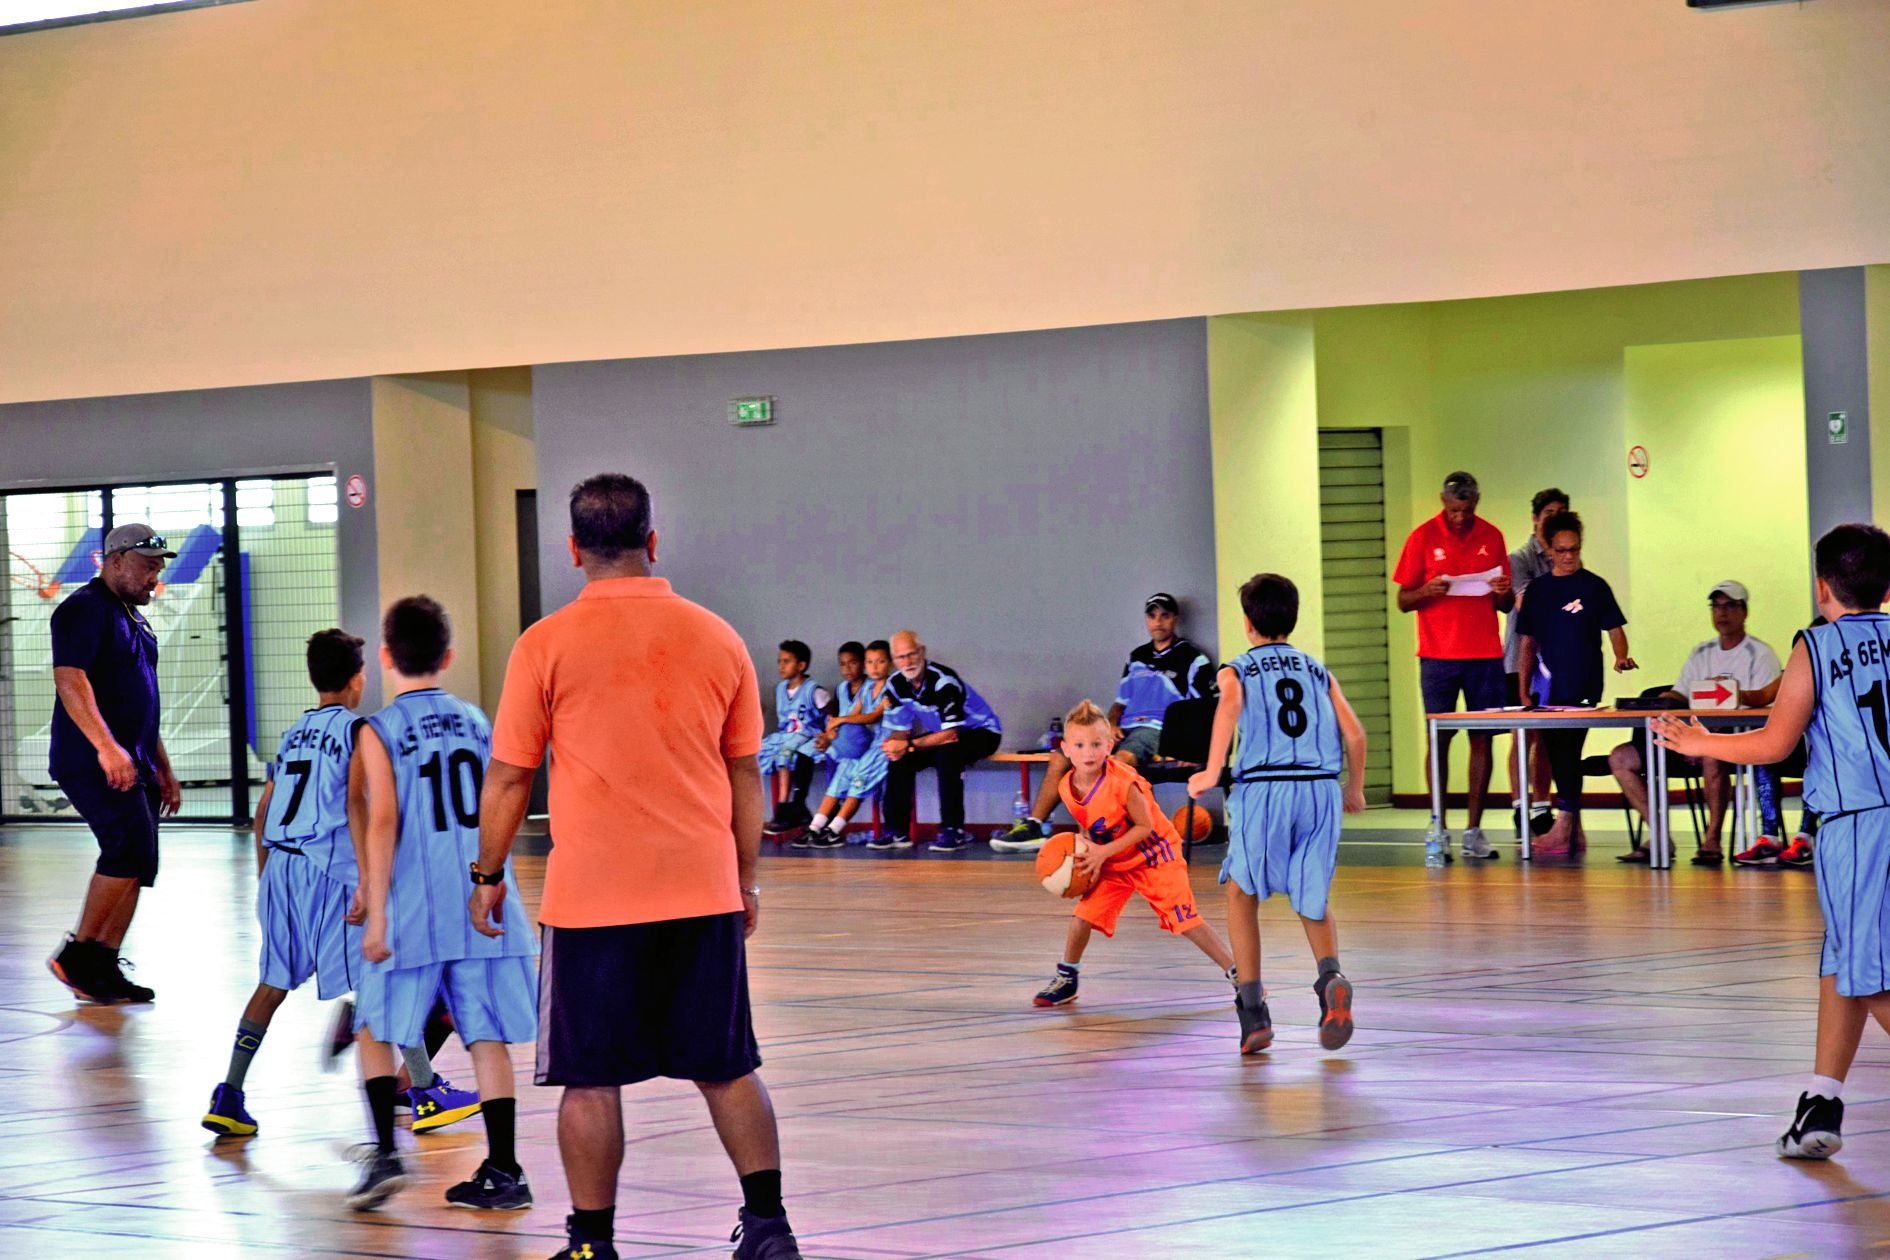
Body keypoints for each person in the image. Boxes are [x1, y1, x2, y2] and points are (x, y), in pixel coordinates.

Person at [476, 473, 802, 1260]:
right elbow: (745, 774)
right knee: (727, 1066)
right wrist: (745, 877)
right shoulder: (718, 636)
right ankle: (768, 1228)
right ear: (653, 543)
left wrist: (488, 874)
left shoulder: (543, 644)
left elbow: (513, 776)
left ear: (573, 549)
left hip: (593, 902)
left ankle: (591, 1245)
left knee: (590, 1080)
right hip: (701, 888)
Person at [1652, 523, 1890, 1162]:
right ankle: (1822, 1102)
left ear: (1821, 587)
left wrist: (1699, 742)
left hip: (1859, 824)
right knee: (1842, 961)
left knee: (1868, 974)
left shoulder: (1816, 644)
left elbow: (1775, 742)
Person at [202, 629, 478, 1139]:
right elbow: (364, 808)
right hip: (328, 869)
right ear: (359, 678)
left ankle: (229, 1094)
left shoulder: (292, 733)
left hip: (281, 866)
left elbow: (264, 810)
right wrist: (369, 881)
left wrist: (267, 875)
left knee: (272, 983)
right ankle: (424, 1091)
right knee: (385, 972)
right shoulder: (360, 731)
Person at [349, 596, 539, 1211]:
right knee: (485, 1036)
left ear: (385, 657)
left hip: (414, 903)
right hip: (482, 894)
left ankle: (383, 1155)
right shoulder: (478, 720)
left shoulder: (379, 728)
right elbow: (503, 792)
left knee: (374, 1026)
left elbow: (382, 820)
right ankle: (505, 1170)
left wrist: (375, 910)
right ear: (449, 655)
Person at [1188, 573, 1368, 1056]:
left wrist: (1211, 770)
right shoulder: (1317, 670)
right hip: (1321, 791)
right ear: (1293, 618)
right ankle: (1330, 976)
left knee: (1243, 893)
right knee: (1312, 893)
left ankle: (1253, 1012)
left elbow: (1228, 706)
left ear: (1247, 623)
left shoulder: (1238, 669)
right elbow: (1355, 735)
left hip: (1266, 789)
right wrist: (1355, 787)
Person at [44, 523, 181, 1005]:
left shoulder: (133, 618)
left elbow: (142, 700)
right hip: (94, 760)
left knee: (141, 862)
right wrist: (106, 747)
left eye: (159, 568)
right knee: (124, 848)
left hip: (134, 760)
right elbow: (70, 679)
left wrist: (162, 766)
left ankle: (103, 964)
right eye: (147, 566)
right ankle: (78, 954)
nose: (154, 577)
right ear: (116, 560)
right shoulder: (83, 609)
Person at [1030, 700, 1238, 1013]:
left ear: (1110, 746)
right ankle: (1067, 977)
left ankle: (1240, 976)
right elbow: (1087, 824)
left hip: (1156, 855)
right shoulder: (1066, 787)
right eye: (1080, 745)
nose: (1089, 752)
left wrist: (1101, 853)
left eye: (1097, 744)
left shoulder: (1123, 782)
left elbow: (1145, 827)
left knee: (1185, 920)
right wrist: (1082, 861)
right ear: (1066, 749)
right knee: (1081, 918)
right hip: (1113, 860)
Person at [995, 593, 1216, 853]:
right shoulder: (1136, 657)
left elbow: (1207, 708)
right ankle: (1033, 827)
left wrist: (1194, 748)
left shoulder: (1192, 659)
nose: (1158, 622)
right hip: (1124, 729)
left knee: (1118, 763)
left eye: (1165, 615)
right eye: (1152, 616)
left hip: (1158, 730)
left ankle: (1103, 832)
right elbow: (1120, 704)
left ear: (1175, 619)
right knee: (1060, 758)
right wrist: (1110, 724)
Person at [1607, 580, 1782, 866]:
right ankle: (1661, 835)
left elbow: (1765, 705)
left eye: (1729, 606)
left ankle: (1712, 838)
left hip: (1733, 741)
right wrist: (1666, 698)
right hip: (1689, 737)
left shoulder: (1760, 654)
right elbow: (1682, 693)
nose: (1722, 613)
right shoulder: (1701, 652)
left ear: (1744, 611)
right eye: (1716, 606)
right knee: (1620, 758)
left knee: (1711, 754)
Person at [1392, 471, 1513, 861]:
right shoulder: (1423, 537)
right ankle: (1438, 826)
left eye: (1468, 509)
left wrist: (1502, 593)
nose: (1461, 517)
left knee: (1482, 739)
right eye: (1455, 509)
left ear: (1477, 500)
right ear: (1443, 501)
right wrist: (1427, 591)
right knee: (1439, 739)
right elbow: (1403, 599)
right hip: (1438, 656)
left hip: (1484, 655)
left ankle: (1474, 830)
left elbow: (1507, 604)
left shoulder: (1492, 536)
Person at [1515, 511, 1636, 856]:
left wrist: (1620, 656)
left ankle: (1564, 823)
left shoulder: (1593, 586)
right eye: (1562, 550)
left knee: (1568, 749)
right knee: (1556, 753)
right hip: (1547, 687)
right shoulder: (1538, 590)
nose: (1569, 557)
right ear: (1548, 550)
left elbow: (1614, 629)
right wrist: (1524, 688)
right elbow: (1528, 643)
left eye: (1575, 550)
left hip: (1582, 684)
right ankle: (1573, 827)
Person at [878, 630, 1003, 853]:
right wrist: (895, 747)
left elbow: (951, 734)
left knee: (948, 754)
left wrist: (908, 745)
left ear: (923, 652)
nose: (907, 662)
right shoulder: (895, 685)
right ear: (894, 660)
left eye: (912, 654)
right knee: (899, 759)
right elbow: (900, 731)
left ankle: (953, 831)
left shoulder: (943, 681)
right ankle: (896, 831)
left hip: (982, 732)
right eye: (900, 657)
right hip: (944, 736)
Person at [1499, 488, 1569, 836]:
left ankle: (1542, 804)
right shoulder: (1521, 558)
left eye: (1561, 512)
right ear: (1536, 518)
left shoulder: (1565, 556)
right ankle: (1518, 805)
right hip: (1520, 658)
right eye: (1549, 512)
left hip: (1555, 659)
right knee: (1521, 733)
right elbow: (1529, 604)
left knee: (1546, 737)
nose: (1555, 518)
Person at [800, 640, 896, 849]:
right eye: (870, 662)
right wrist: (833, 728)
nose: (874, 667)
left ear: (890, 664)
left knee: (858, 783)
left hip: (885, 745)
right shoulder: (867, 687)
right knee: (840, 777)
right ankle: (815, 827)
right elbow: (855, 713)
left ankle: (834, 829)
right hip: (866, 744)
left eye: (880, 661)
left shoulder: (893, 687)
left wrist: (842, 720)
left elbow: (872, 717)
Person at [759, 640, 831, 836]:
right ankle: (793, 811)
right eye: (779, 661)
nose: (781, 666)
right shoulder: (781, 689)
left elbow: (833, 715)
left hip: (809, 734)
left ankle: (783, 810)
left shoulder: (814, 691)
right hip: (788, 735)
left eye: (786, 661)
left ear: (801, 665)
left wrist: (828, 734)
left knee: (785, 754)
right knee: (758, 750)